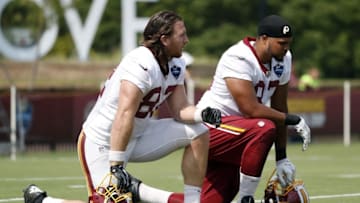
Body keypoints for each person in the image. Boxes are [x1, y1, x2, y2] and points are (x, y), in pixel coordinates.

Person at [22, 10, 222, 203]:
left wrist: (202, 114)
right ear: (164, 39)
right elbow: (124, 113)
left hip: (140, 134)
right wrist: (116, 164)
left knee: (198, 131)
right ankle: (43, 200)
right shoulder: (141, 63)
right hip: (104, 141)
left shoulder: (176, 63)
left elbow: (180, 110)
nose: (186, 40)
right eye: (181, 35)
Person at [119, 14, 311, 203]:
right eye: (281, 43)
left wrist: (281, 158)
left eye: (288, 43)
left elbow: (279, 107)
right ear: (264, 39)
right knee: (264, 127)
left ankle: (139, 191)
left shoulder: (284, 59)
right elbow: (250, 109)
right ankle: (247, 198)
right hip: (213, 127)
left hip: (240, 135)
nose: (286, 49)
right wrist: (294, 119)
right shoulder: (239, 57)